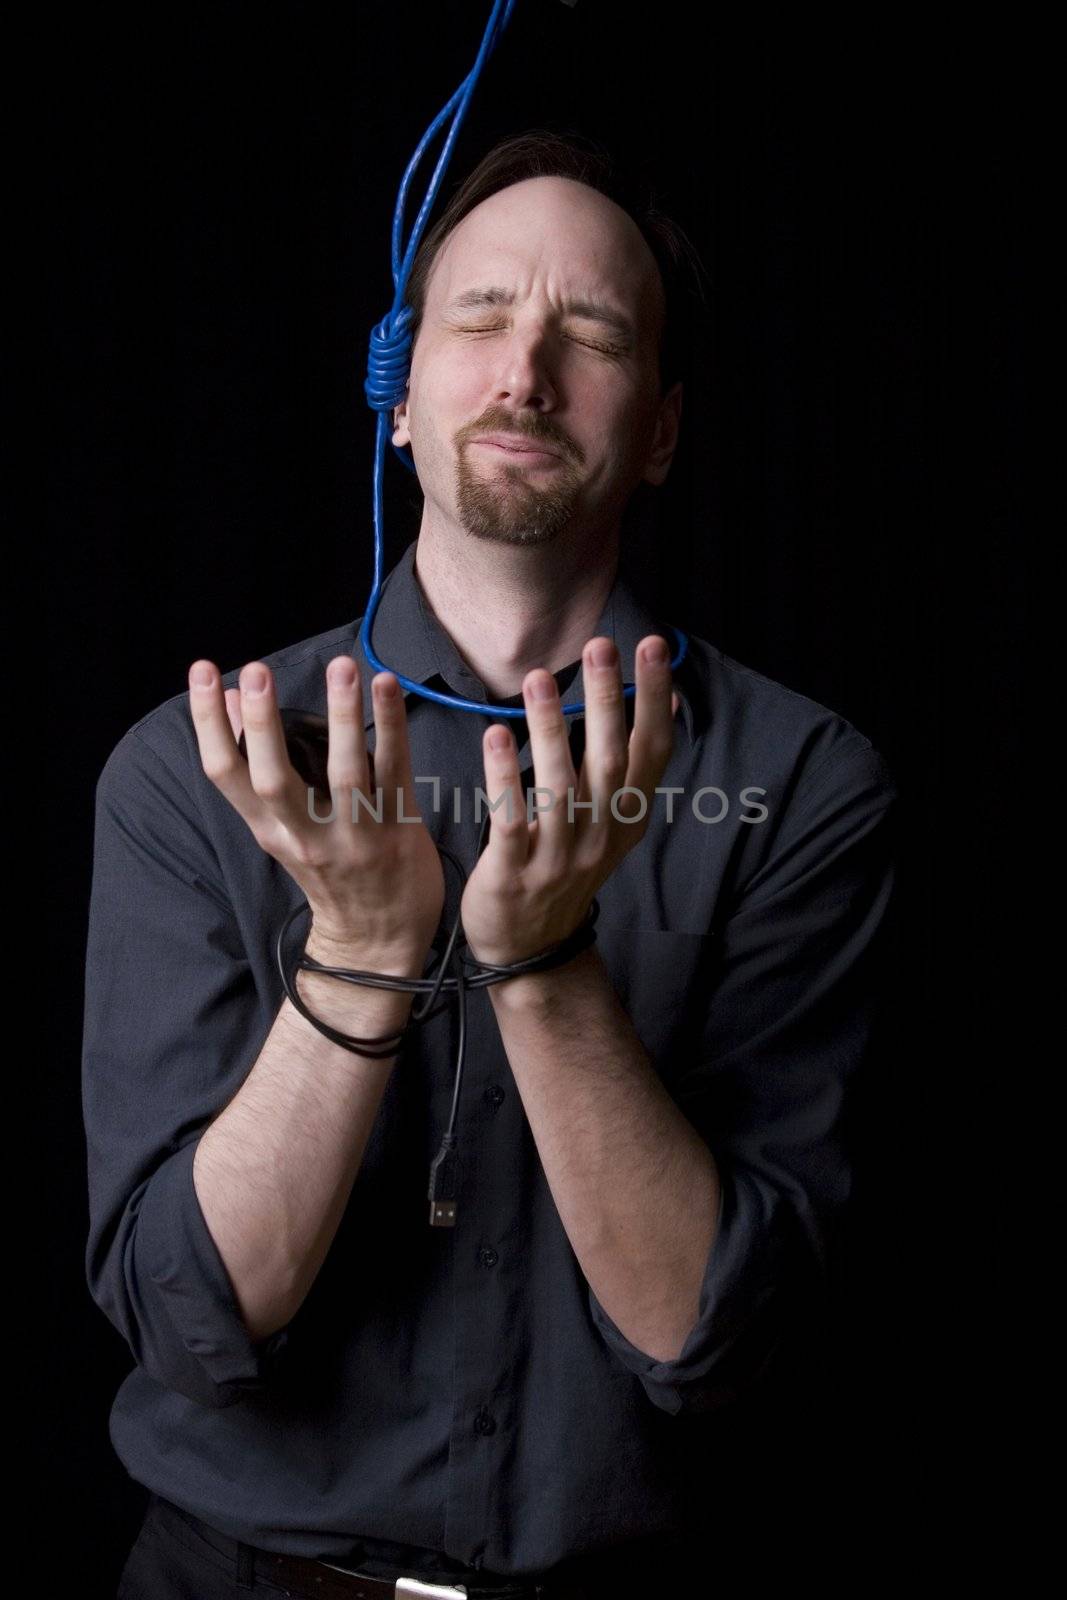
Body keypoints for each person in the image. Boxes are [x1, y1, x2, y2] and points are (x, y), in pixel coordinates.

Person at [84, 132, 899, 1599]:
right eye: (480, 317)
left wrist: (543, 961)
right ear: (397, 395)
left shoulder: (800, 784)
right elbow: (197, 1319)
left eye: (589, 332)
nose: (527, 370)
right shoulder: (194, 769)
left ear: (658, 430)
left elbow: (705, 1339)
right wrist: (358, 953)